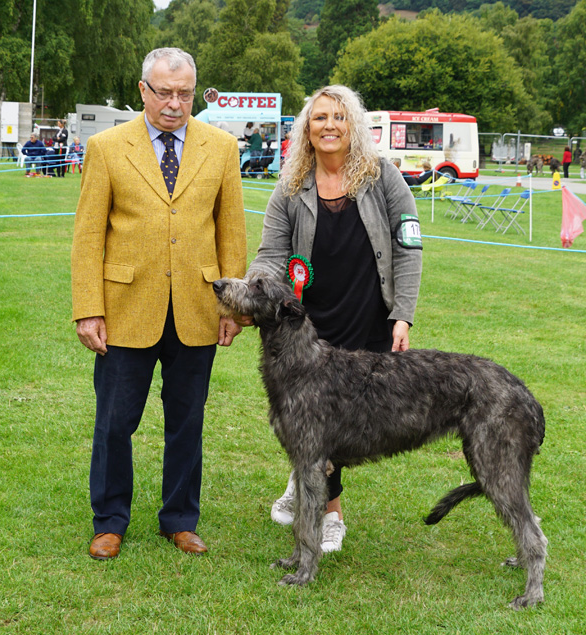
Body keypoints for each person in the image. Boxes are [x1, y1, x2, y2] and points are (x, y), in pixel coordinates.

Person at [71, 47, 247, 561]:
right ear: (142, 90)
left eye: (185, 93)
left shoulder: (222, 147)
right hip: (124, 308)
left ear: (197, 91)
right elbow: (88, 237)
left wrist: (232, 308)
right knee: (114, 422)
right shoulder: (105, 147)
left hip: (196, 306)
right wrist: (88, 307)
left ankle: (180, 519)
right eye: (164, 92)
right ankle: (109, 521)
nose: (175, 103)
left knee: (187, 422)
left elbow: (231, 234)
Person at [242, 85, 422, 553]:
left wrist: (402, 315)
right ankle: (330, 512)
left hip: (367, 316)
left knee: (347, 416)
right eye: (319, 117)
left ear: (354, 126)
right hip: (311, 322)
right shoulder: (290, 185)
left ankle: (311, 484)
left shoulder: (384, 178)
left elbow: (408, 249)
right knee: (317, 412)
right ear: (307, 128)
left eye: (339, 117)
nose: (329, 125)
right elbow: (270, 255)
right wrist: (252, 289)